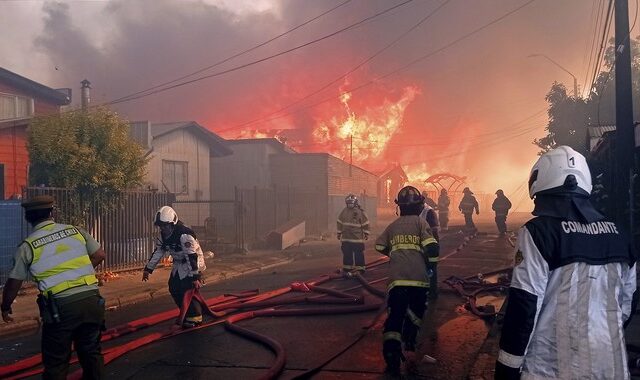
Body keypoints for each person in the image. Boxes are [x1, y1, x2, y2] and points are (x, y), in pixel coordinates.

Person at [495, 146, 637, 380]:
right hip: (611, 367)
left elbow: (525, 305)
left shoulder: (537, 233)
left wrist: (507, 369)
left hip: (550, 369)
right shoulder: (620, 235)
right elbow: (626, 306)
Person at [1, 195, 106, 379]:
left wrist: (5, 306)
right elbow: (99, 254)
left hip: (61, 310)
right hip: (91, 301)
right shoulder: (75, 231)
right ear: (52, 212)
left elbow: (14, 281)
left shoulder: (28, 246)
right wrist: (80, 274)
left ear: (28, 218)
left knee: (56, 363)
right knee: (91, 355)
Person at [375, 186, 439, 374]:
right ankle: (410, 345)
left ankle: (392, 357)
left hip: (396, 281)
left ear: (399, 207)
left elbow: (379, 245)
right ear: (420, 205)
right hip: (419, 281)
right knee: (415, 315)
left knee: (394, 318)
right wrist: (430, 267)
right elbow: (432, 249)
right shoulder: (421, 224)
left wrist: (394, 253)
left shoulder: (393, 226)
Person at [142, 206, 206, 328]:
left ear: (173, 223)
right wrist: (148, 269)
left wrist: (195, 276)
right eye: (161, 226)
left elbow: (191, 255)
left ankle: (195, 317)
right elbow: (158, 252)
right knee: (174, 287)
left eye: (165, 225)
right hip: (178, 263)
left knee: (188, 289)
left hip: (192, 263)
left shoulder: (184, 235)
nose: (163, 228)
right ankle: (186, 312)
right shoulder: (163, 236)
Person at [337, 194, 370, 273]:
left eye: (351, 202)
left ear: (355, 202)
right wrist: (339, 233)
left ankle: (360, 269)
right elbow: (339, 222)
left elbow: (365, 223)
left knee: (358, 254)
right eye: (348, 202)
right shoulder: (344, 211)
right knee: (347, 254)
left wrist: (366, 233)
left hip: (357, 239)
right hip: (346, 239)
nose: (350, 204)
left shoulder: (359, 212)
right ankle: (347, 268)